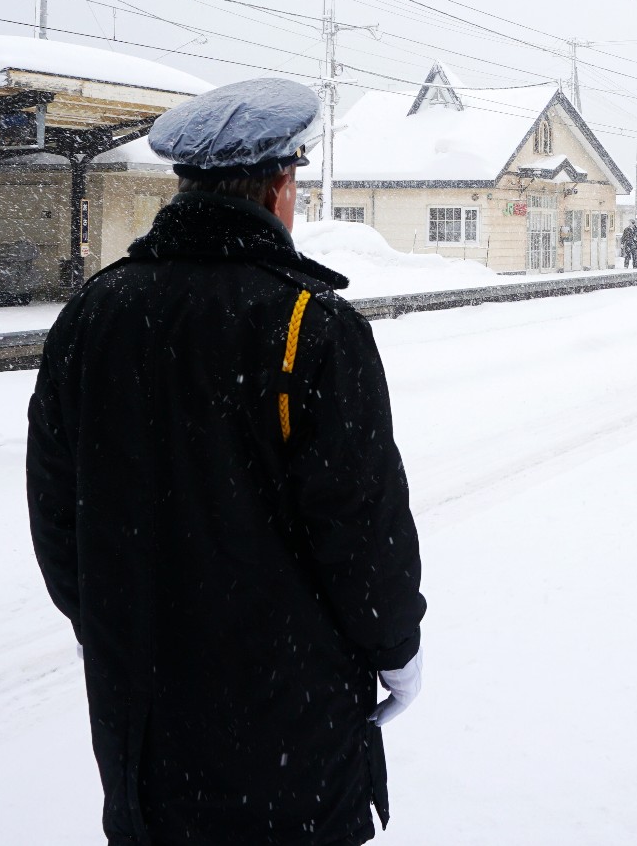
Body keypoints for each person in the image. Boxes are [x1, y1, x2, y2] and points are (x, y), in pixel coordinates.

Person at [27, 78, 425, 846]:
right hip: (290, 731)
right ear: (280, 186)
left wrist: (129, 624)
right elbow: (362, 529)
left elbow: (57, 518)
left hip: (142, 726)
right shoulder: (312, 324)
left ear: (185, 186)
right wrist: (395, 648)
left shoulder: (92, 315)